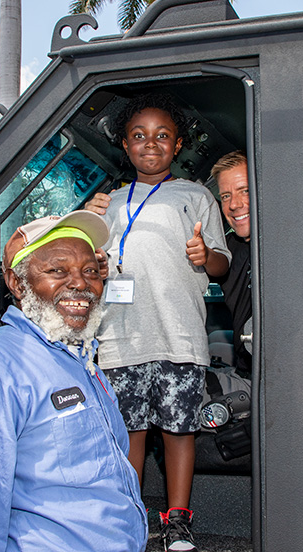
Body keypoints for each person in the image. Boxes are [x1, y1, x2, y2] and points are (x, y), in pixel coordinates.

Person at [0, 211, 148, 552]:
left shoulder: (81, 358)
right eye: (57, 271)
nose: (81, 283)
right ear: (17, 283)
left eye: (90, 271)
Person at [85, 93, 230, 552]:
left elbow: (223, 262)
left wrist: (206, 256)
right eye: (139, 136)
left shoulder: (196, 195)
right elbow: (86, 266)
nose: (151, 143)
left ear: (178, 144)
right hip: (119, 337)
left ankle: (178, 521)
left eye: (162, 136)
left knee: (179, 430)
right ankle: (127, 515)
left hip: (179, 335)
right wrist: (87, 226)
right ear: (126, 146)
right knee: (129, 431)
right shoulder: (106, 203)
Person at [211, 151, 252, 376]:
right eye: (225, 196)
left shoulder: (288, 244)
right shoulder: (225, 251)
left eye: (244, 191)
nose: (234, 205)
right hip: (247, 374)